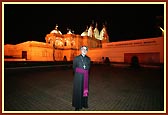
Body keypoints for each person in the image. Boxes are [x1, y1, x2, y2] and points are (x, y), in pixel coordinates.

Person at [72, 46, 91, 111]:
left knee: (84, 91)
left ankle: (84, 103)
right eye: (83, 49)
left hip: (85, 77)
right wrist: (78, 73)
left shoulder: (88, 59)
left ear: (87, 51)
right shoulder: (76, 58)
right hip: (78, 77)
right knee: (78, 91)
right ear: (80, 50)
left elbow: (89, 68)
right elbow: (74, 67)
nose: (84, 50)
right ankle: (77, 106)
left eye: (86, 49)